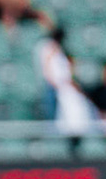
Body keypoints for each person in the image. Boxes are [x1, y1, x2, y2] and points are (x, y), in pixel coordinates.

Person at [36, 26, 93, 156]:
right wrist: (54, 84)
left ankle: (73, 145)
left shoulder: (60, 52)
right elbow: (48, 68)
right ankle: (52, 147)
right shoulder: (49, 48)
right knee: (53, 119)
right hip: (55, 88)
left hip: (63, 89)